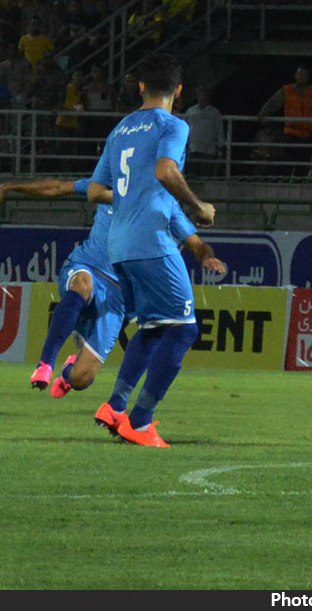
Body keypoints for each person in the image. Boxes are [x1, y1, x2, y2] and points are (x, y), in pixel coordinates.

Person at [0, 181, 223, 403]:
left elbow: (196, 243)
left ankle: (67, 372)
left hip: (117, 298)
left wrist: (207, 256)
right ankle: (45, 363)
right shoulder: (106, 186)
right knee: (82, 284)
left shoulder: (164, 204)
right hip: (88, 266)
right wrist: (10, 187)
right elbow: (57, 187)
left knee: (81, 379)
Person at [86, 55, 216, 447]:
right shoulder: (173, 124)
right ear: (179, 92)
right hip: (150, 241)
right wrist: (198, 206)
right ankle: (141, 421)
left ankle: (115, 406)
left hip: (119, 243)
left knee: (153, 327)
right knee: (182, 331)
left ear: (140, 87)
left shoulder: (120, 129)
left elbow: (95, 191)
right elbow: (165, 171)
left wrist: (132, 196)